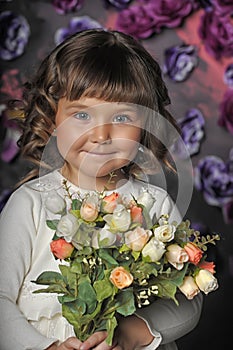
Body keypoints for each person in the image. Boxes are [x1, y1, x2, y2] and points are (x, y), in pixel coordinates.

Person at [0, 29, 202, 350]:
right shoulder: (30, 204)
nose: (101, 134)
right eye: (82, 114)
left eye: (121, 116)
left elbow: (187, 296)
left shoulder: (156, 205)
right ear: (53, 119)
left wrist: (132, 333)